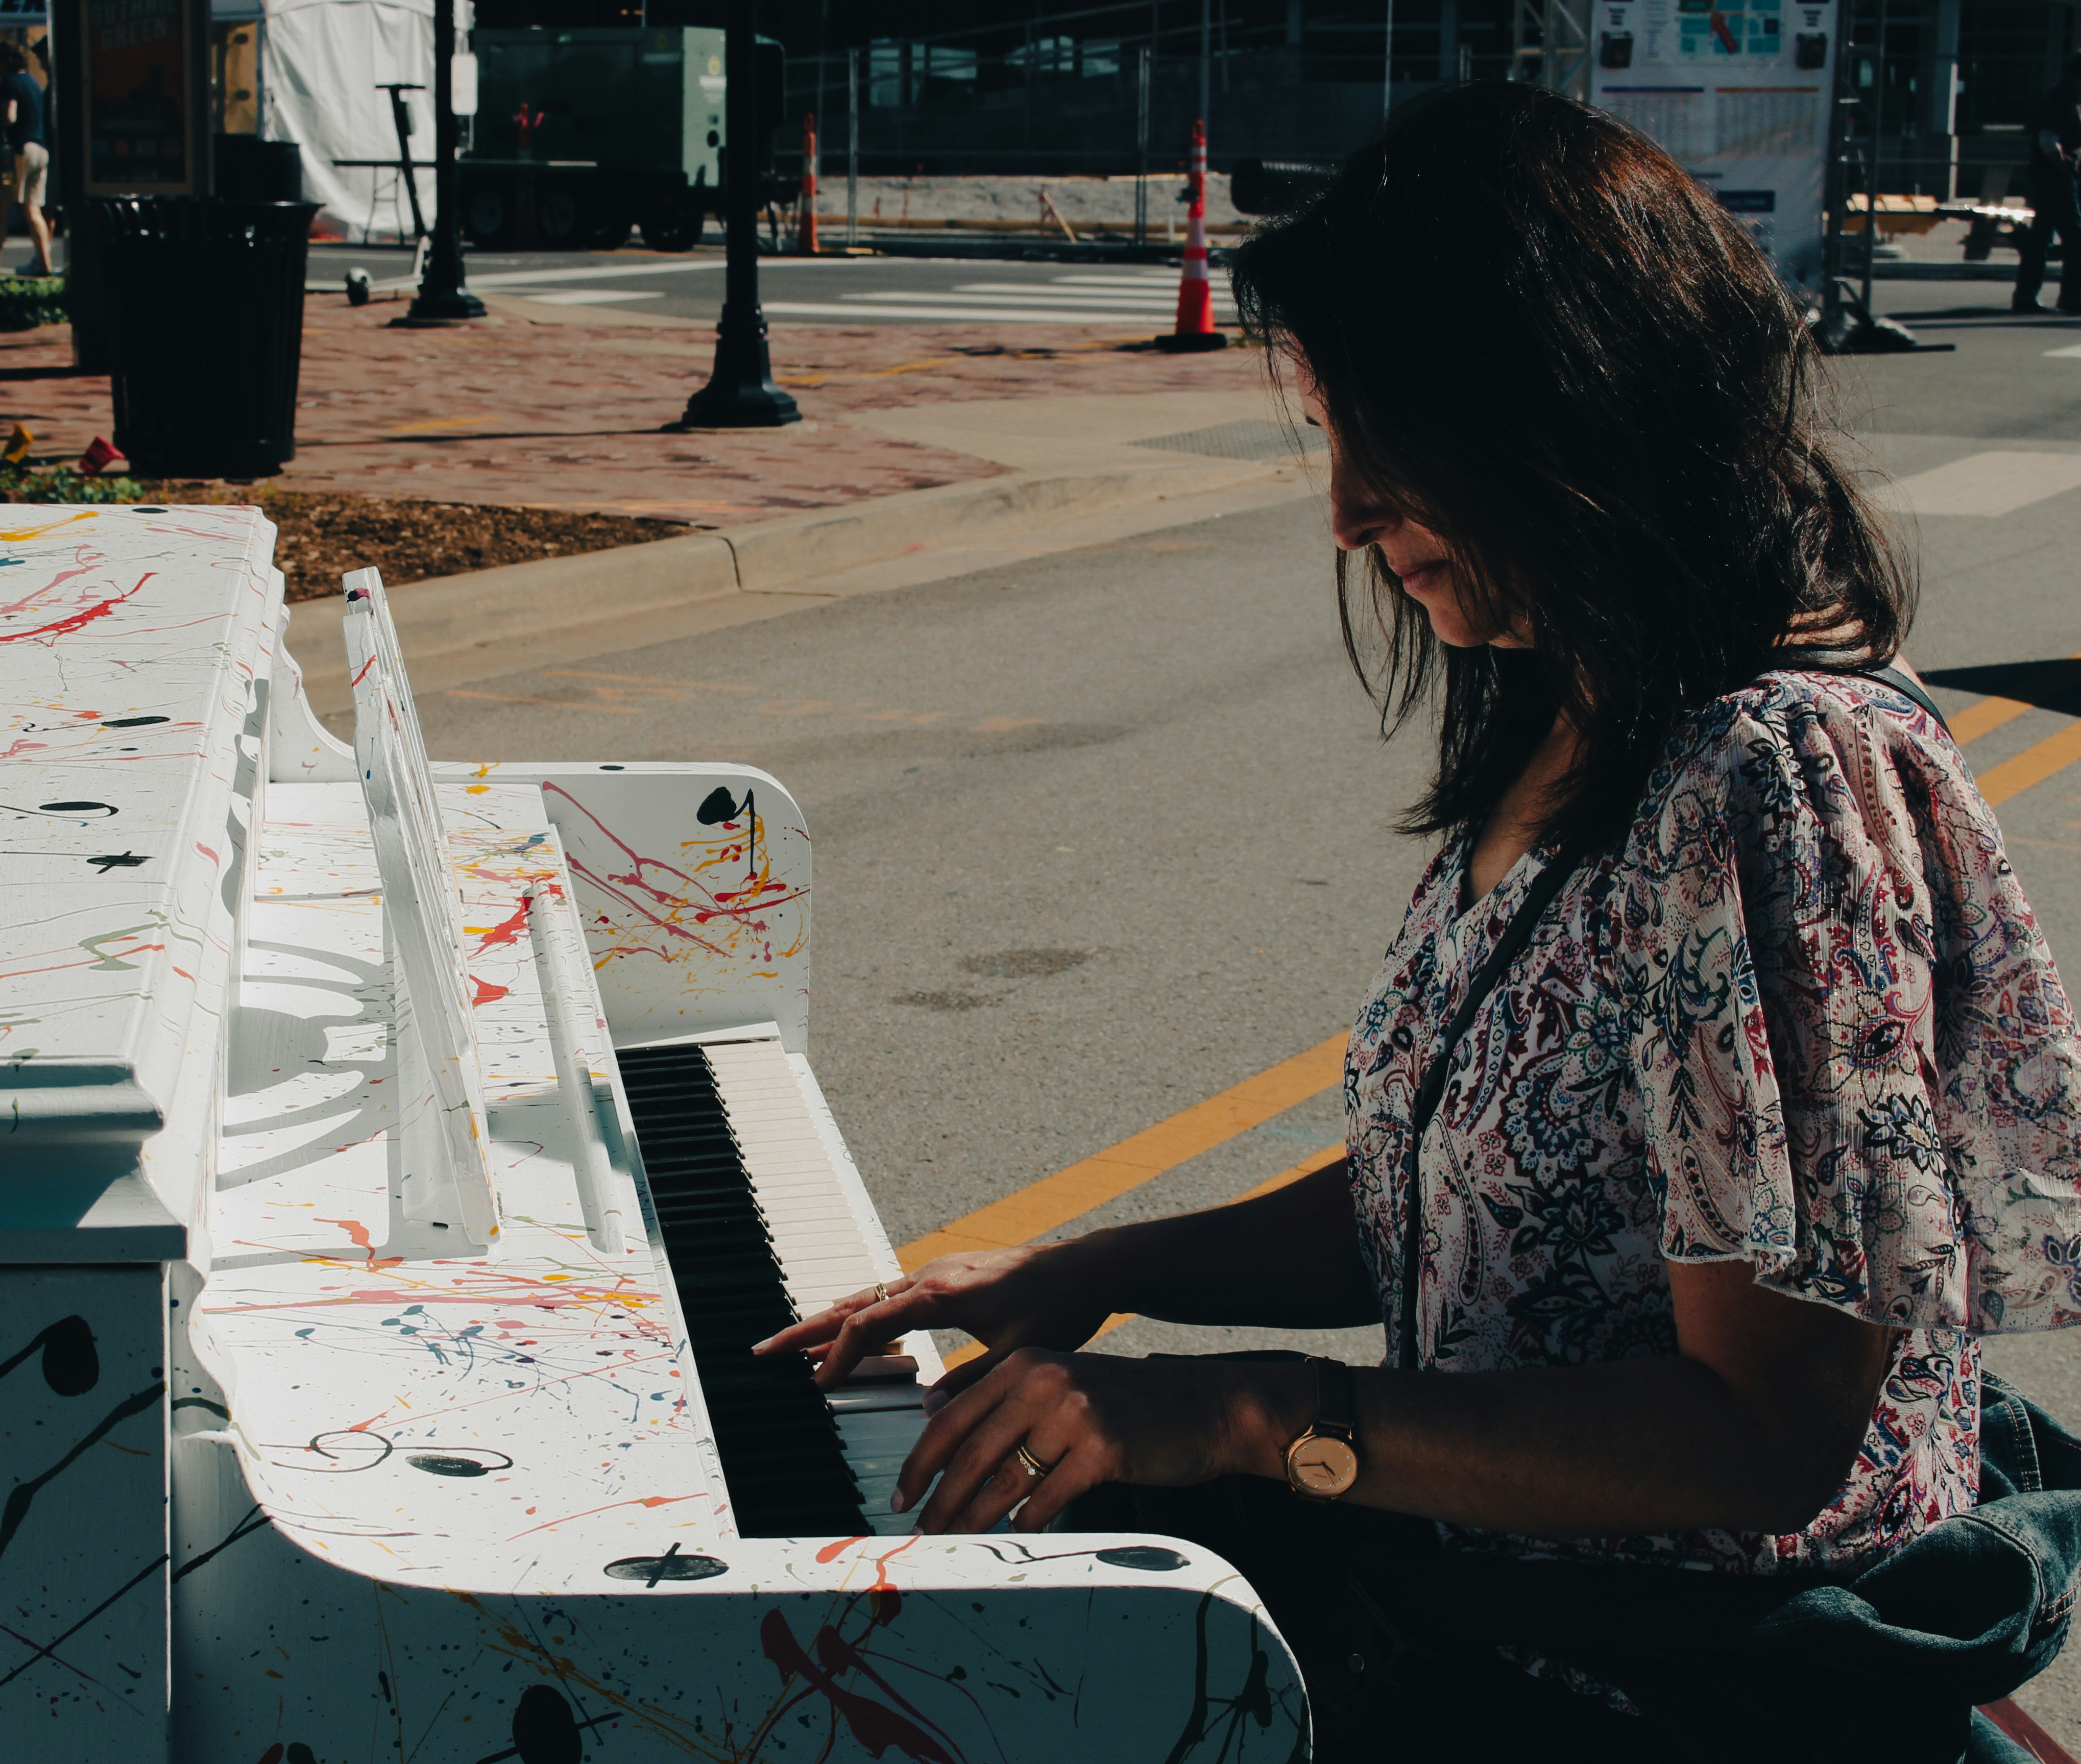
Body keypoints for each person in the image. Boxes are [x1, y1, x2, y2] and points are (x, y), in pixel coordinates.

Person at [760, 81, 2081, 1761]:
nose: (1343, 513)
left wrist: (1242, 1410)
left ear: (1564, 414)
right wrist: (1096, 1266)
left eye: (1377, 442)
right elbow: (1481, 1190)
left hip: (1689, 1674)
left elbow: (1766, 1428)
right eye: (1326, 437)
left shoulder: (1774, 777)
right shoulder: (1572, 705)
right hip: (1503, 1588)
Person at [0, 38, 52, 278]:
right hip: (40, 150)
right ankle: (45, 266)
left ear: (4, 63)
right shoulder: (35, 84)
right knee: (33, 210)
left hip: (17, 152)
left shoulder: (9, 83)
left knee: (0, 210)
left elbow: (9, 117)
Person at [2014, 51, 2081, 314]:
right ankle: (2072, 296)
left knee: (2041, 237)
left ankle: (2025, 296)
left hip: (2055, 177)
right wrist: (2064, 166)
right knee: (2075, 237)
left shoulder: (2071, 98)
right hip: (2055, 178)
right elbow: (2047, 140)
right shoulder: (2060, 100)